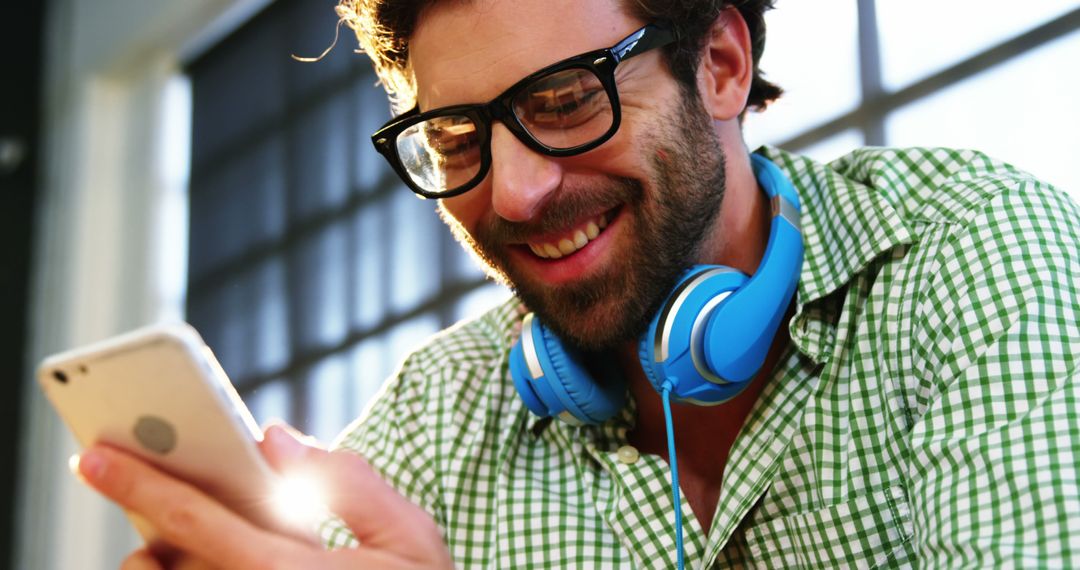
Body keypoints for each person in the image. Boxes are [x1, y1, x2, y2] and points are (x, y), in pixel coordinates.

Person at [75, 0, 1080, 568]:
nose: (512, 194)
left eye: (563, 102)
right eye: (459, 137)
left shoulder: (970, 256)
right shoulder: (437, 418)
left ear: (723, 65)